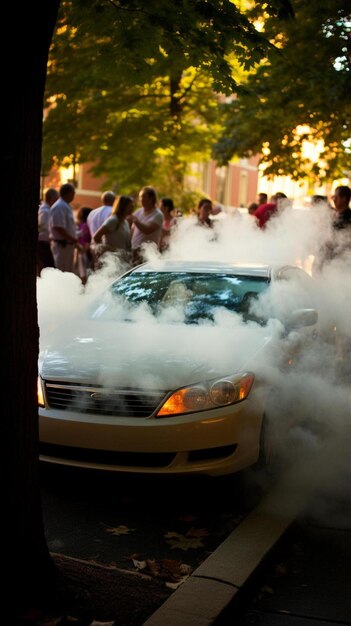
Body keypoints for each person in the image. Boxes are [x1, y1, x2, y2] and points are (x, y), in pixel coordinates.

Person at [93, 195, 134, 266]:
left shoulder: (125, 222)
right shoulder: (113, 220)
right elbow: (96, 237)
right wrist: (109, 249)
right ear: (123, 207)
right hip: (111, 261)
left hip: (122, 261)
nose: (132, 208)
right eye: (130, 206)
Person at [130, 186, 163, 265]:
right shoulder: (138, 211)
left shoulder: (158, 214)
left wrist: (135, 220)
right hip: (135, 251)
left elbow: (147, 230)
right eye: (140, 197)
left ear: (151, 198)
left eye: (143, 196)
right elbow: (131, 230)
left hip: (148, 253)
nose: (141, 199)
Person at [48, 182, 78, 272]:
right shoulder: (59, 206)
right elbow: (58, 227)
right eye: (73, 193)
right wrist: (72, 239)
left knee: (67, 271)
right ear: (68, 193)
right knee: (61, 271)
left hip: (67, 245)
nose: (74, 195)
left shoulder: (66, 206)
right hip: (62, 246)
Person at [37, 187, 59, 276]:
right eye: (56, 199)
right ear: (51, 198)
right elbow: (44, 228)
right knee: (47, 268)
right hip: (43, 244)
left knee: (48, 268)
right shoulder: (45, 211)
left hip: (45, 244)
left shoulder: (47, 210)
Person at [74, 206, 92, 284]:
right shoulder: (81, 224)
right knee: (81, 269)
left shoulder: (85, 225)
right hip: (80, 249)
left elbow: (84, 237)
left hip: (83, 249)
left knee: (82, 270)